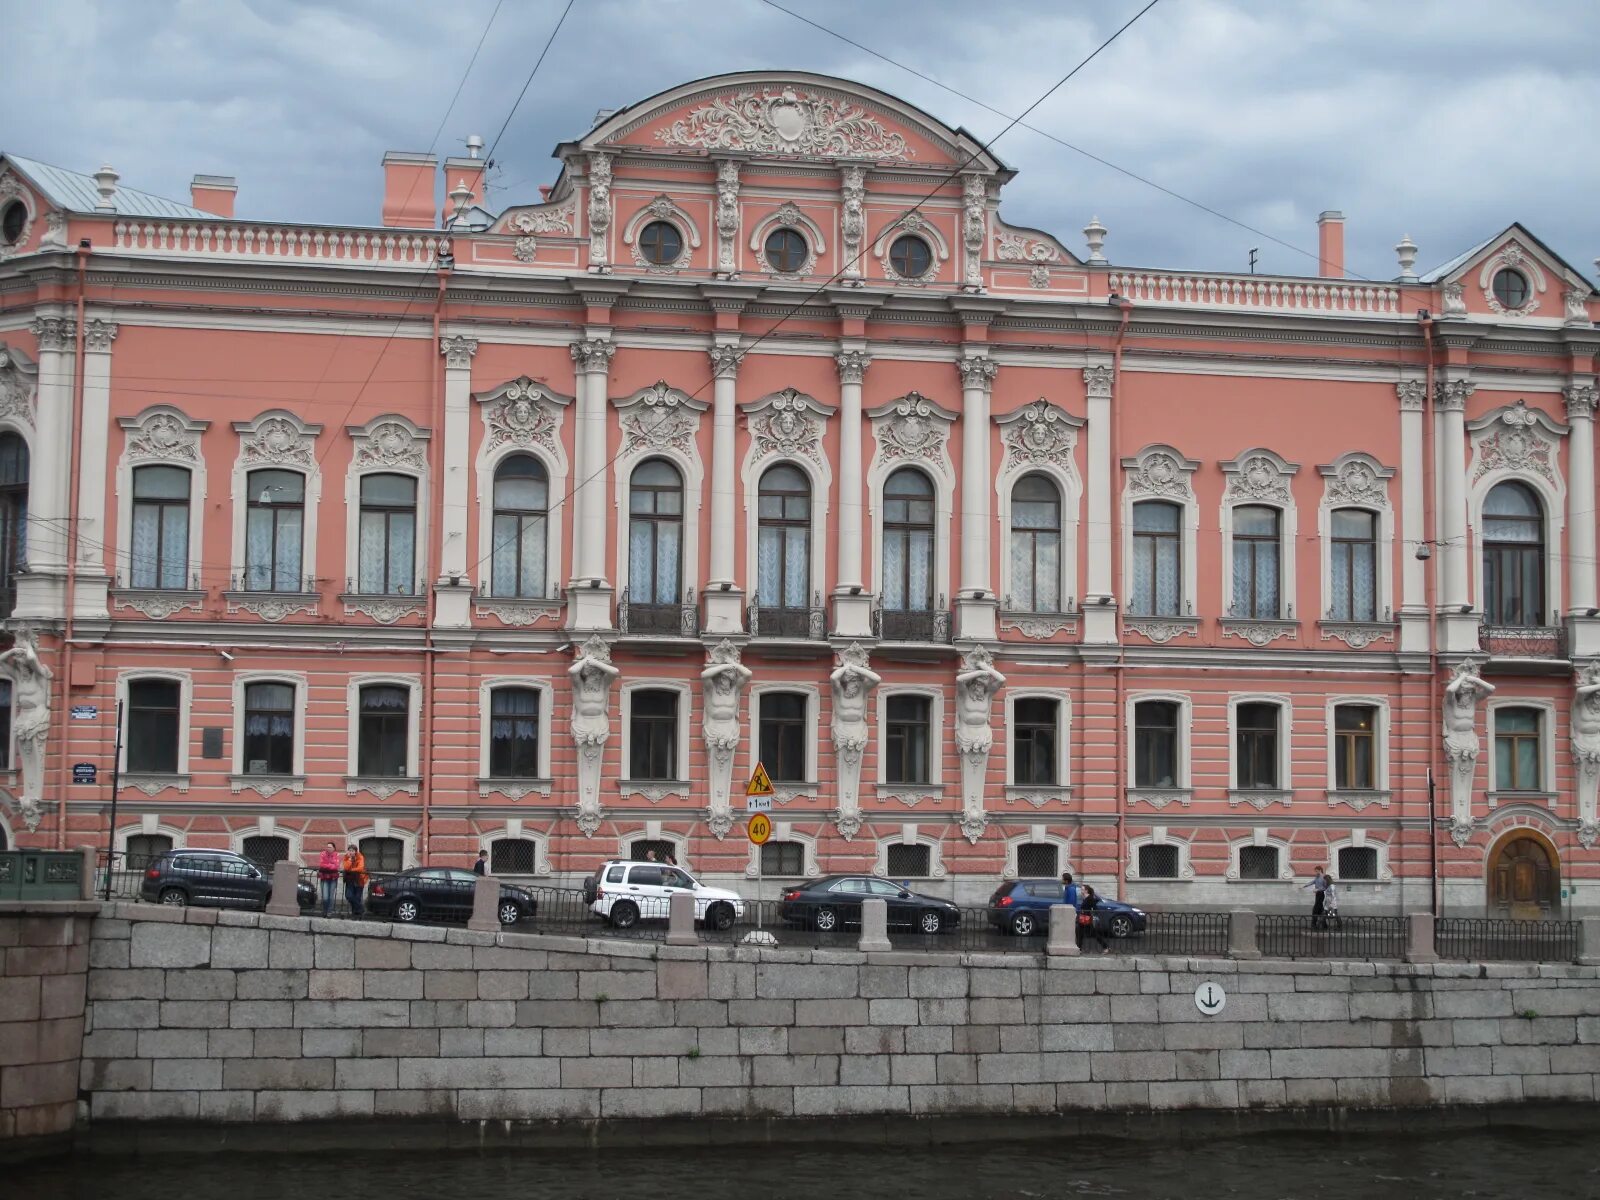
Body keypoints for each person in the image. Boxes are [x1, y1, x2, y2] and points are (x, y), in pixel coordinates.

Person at [1075, 884, 1110, 954]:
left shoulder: (1090, 898)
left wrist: (1089, 912)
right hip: (1083, 918)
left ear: (1086, 890)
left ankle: (1106, 947)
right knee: (1080, 933)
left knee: (1094, 934)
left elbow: (1094, 908)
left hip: (1087, 918)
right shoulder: (1085, 898)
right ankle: (1079, 949)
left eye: (1082, 889)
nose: (1081, 891)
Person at [341, 844, 367, 918]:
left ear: (355, 851)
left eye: (352, 851)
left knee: (357, 898)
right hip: (350, 880)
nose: (351, 852)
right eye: (349, 850)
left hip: (359, 879)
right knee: (349, 896)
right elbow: (346, 867)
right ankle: (361, 909)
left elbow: (360, 868)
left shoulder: (360, 857)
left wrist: (351, 870)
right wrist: (349, 860)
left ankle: (356, 915)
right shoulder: (346, 857)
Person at [316, 842, 340, 917]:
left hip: (333, 878)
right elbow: (321, 864)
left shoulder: (337, 855)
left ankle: (329, 912)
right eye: (327, 847)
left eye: (330, 847)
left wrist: (327, 865)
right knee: (325, 897)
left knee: (331, 897)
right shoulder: (323, 854)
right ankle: (325, 910)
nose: (328, 848)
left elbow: (336, 866)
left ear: (334, 848)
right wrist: (331, 865)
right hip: (324, 877)